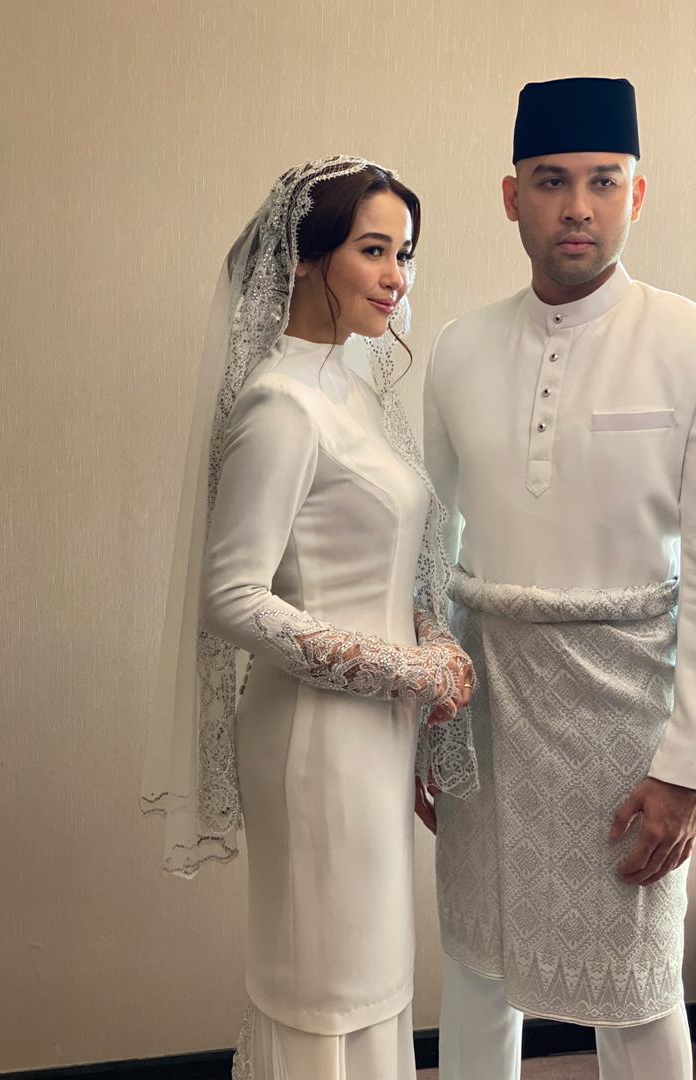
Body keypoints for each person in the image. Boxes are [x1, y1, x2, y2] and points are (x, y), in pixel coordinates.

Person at [141, 156, 475, 1080]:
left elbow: (391, 557)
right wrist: (408, 669)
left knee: (371, 975)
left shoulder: (357, 390)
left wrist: (434, 639)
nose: (396, 276)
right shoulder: (281, 403)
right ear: (303, 256)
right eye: (373, 250)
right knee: (324, 983)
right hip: (314, 741)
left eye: (403, 253)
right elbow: (232, 596)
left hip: (376, 733)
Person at [419, 77, 696, 1079]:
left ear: (637, 195)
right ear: (511, 198)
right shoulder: (458, 348)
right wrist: (426, 726)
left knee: (637, 988)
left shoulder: (686, 340)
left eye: (601, 181)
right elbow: (430, 553)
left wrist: (684, 767)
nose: (577, 206)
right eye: (550, 181)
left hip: (630, 728)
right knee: (476, 966)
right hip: (486, 714)